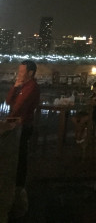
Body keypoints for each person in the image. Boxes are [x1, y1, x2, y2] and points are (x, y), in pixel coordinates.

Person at [6, 60, 40, 188]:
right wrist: (15, 87)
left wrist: (9, 120)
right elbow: (9, 101)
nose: (19, 73)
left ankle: (19, 185)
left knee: (20, 155)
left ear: (30, 73)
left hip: (22, 125)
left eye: (21, 71)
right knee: (16, 153)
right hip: (15, 123)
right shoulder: (22, 86)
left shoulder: (32, 87)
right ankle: (16, 183)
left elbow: (20, 106)